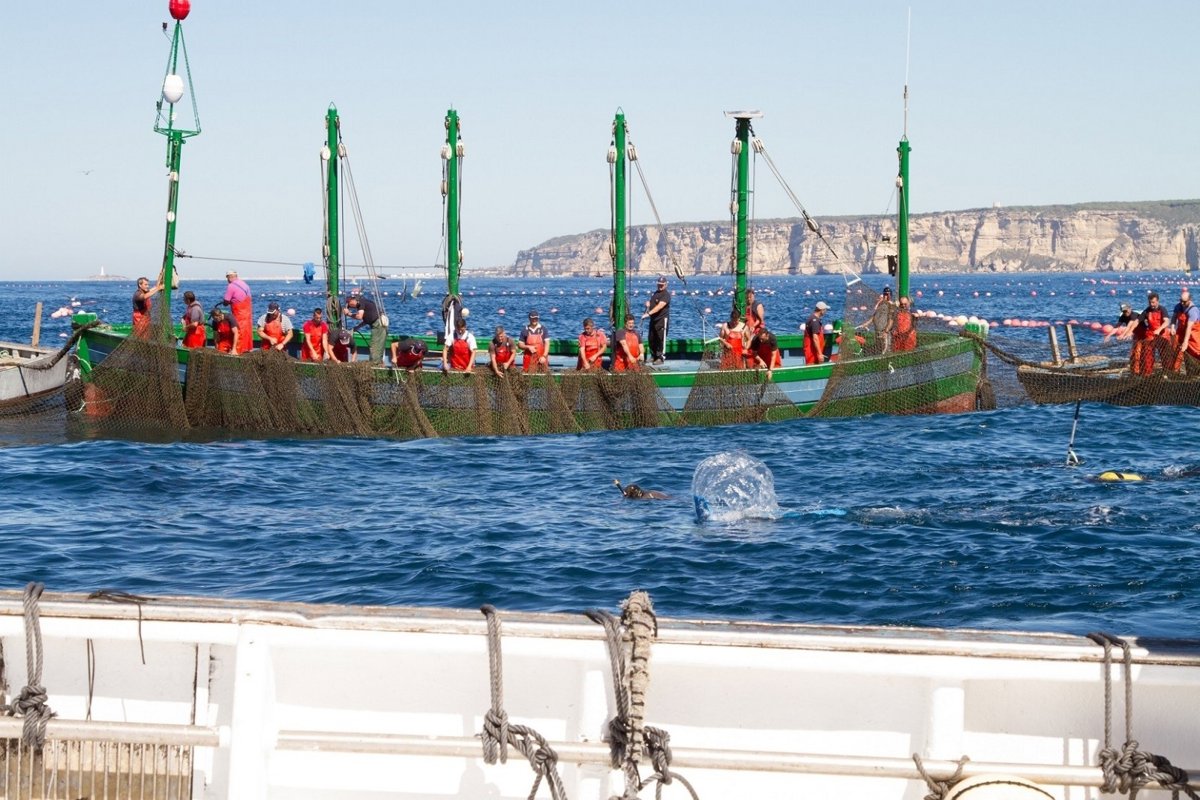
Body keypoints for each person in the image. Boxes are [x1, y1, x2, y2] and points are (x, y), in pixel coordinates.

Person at [1131, 291, 1171, 375]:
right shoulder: (1147, 310)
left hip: (1162, 335)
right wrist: (1130, 330)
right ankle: (1148, 373)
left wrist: (1159, 329)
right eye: (1150, 303)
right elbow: (1137, 321)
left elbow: (1167, 321)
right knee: (1147, 354)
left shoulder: (1162, 309)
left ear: (1157, 301)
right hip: (1151, 335)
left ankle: (1167, 373)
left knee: (1165, 355)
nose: (1151, 304)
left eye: (1153, 302)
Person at [344, 293, 387, 362]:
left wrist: (348, 314)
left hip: (378, 325)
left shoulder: (361, 303)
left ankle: (375, 363)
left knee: (375, 345)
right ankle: (377, 361)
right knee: (378, 345)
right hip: (378, 325)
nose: (351, 308)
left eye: (350, 305)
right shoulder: (364, 303)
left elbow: (359, 316)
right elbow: (367, 319)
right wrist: (357, 327)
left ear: (352, 301)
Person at [221, 270, 253, 354]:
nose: (227, 280)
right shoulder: (244, 284)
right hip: (247, 314)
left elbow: (226, 301)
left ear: (229, 277)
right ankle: (246, 349)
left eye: (227, 278)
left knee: (237, 330)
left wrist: (225, 302)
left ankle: (236, 351)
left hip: (239, 313)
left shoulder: (231, 286)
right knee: (246, 331)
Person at [642, 275, 670, 364]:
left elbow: (659, 306)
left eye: (662, 284)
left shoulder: (666, 295)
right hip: (653, 320)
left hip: (661, 320)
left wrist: (648, 314)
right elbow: (653, 304)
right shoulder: (656, 293)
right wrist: (648, 304)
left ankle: (660, 357)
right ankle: (653, 355)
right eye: (659, 284)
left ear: (665, 285)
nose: (660, 286)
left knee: (660, 339)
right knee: (651, 338)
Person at [1172, 288, 1200, 373]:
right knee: (1176, 351)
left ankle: (1197, 372)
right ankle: (1175, 371)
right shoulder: (1178, 306)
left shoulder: (1193, 311)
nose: (1182, 303)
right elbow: (1174, 317)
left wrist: (1185, 342)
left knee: (1196, 352)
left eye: (1184, 302)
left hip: (1193, 334)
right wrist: (1173, 327)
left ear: (1190, 300)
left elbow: (1189, 327)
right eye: (1181, 301)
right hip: (1180, 332)